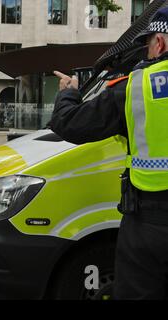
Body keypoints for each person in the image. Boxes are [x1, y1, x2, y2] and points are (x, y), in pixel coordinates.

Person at [50, 7, 168, 300]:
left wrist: (69, 91)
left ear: (161, 43)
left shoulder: (137, 86)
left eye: (150, 41)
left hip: (151, 221)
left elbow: (69, 123)